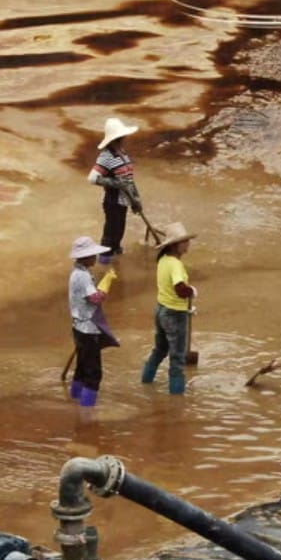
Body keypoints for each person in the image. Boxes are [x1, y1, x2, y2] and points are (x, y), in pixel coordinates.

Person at [140, 222, 197, 395]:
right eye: (184, 241)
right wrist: (192, 291)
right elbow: (179, 289)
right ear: (175, 245)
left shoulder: (163, 260)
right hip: (175, 314)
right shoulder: (175, 264)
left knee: (159, 350)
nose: (188, 244)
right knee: (177, 360)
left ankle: (145, 381)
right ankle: (177, 399)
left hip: (161, 311)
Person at [67, 236, 119, 411]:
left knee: (81, 368)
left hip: (78, 327)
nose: (95, 258)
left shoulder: (77, 273)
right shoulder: (82, 276)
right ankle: (86, 413)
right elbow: (96, 299)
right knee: (94, 373)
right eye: (93, 255)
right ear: (86, 257)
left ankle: (74, 400)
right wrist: (107, 282)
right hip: (88, 329)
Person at [88, 115, 142, 264]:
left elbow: (129, 180)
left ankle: (116, 260)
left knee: (119, 231)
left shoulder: (122, 154)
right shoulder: (106, 157)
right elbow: (92, 178)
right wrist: (115, 183)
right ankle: (104, 262)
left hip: (123, 200)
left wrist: (136, 200)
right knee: (111, 233)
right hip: (112, 201)